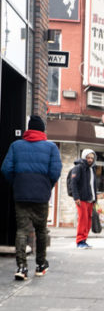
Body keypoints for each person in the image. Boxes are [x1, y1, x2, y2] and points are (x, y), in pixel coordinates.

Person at [1, 115, 61, 279]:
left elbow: (6, 169)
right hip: (41, 195)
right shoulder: (51, 148)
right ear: (42, 130)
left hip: (21, 194)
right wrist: (47, 185)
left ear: (29, 129)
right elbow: (56, 171)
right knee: (41, 230)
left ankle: (21, 268)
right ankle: (40, 265)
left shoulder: (16, 146)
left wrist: (17, 182)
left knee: (22, 231)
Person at [70, 148, 97, 248]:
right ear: (84, 157)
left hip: (90, 199)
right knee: (83, 220)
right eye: (88, 157)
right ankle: (80, 241)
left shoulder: (92, 169)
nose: (90, 160)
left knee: (88, 221)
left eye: (92, 158)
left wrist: (95, 199)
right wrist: (76, 197)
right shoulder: (79, 167)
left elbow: (93, 185)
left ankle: (84, 240)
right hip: (81, 199)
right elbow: (73, 183)